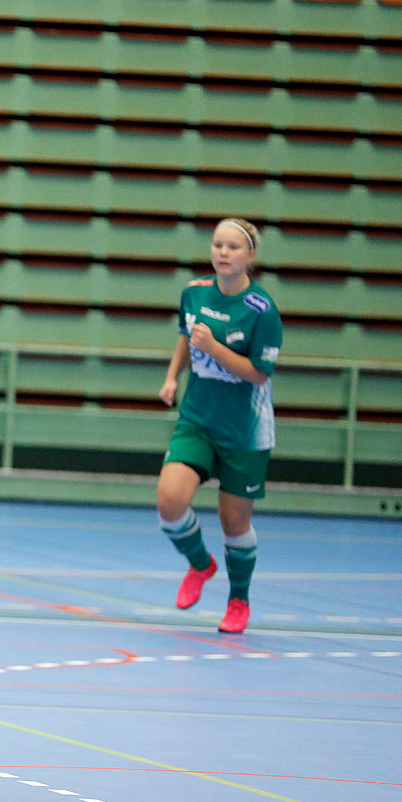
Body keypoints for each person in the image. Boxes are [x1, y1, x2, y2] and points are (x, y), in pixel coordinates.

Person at [155, 217, 282, 635]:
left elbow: (258, 374)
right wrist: (173, 375)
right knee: (170, 501)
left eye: (232, 247)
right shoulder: (193, 293)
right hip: (197, 419)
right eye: (217, 245)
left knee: (234, 524)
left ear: (250, 257)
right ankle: (199, 564)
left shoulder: (262, 311)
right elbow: (185, 336)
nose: (222, 253)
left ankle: (239, 599)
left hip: (244, 431)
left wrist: (215, 348)